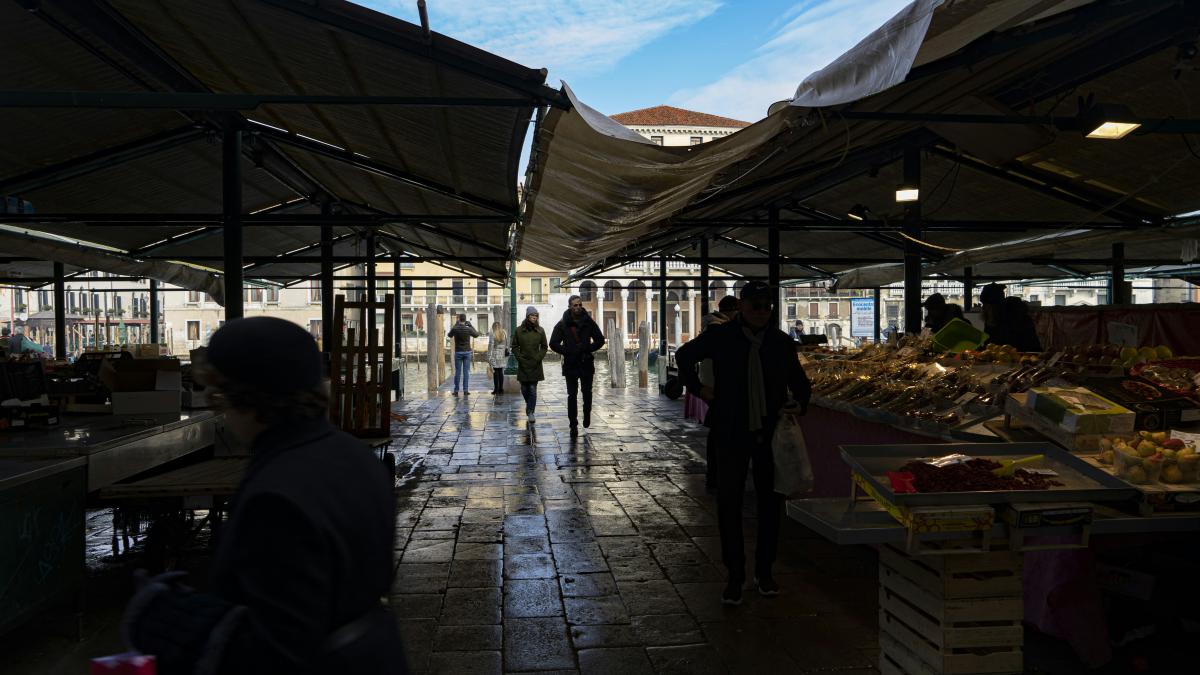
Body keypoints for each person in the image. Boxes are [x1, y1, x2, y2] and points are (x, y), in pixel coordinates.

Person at [121, 317, 404, 674]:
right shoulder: (355, 455)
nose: (218, 410)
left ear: (248, 397)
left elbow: (277, 652)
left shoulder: (277, 496)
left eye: (219, 396)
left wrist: (184, 628)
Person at [675, 281, 811, 606]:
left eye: (766, 306)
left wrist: (799, 403)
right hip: (730, 429)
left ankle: (765, 572)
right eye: (755, 306)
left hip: (769, 432)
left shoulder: (780, 343)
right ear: (742, 306)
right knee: (729, 503)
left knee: (770, 504)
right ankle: (735, 575)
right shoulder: (722, 337)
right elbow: (684, 356)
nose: (762, 312)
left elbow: (800, 383)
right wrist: (700, 389)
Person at [698, 296, 740, 492]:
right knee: (719, 435)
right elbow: (685, 356)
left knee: (717, 433)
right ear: (734, 311)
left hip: (715, 384)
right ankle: (716, 477)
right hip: (718, 387)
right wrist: (697, 387)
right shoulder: (718, 329)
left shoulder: (715, 326)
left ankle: (716, 476)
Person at [549, 295, 605, 437]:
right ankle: (573, 424)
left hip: (586, 362)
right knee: (572, 395)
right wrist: (567, 352)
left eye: (580, 305)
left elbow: (600, 339)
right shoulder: (562, 324)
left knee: (587, 392)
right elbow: (553, 343)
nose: (578, 307)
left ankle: (587, 414)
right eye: (575, 305)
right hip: (571, 364)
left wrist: (588, 348)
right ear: (570, 307)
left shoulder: (588, 322)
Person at [512, 306, 548, 420]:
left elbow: (544, 346)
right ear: (528, 316)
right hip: (523, 363)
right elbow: (514, 346)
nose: (534, 318)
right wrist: (520, 358)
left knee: (532, 388)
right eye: (532, 315)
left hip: (535, 364)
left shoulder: (540, 330)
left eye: (536, 316)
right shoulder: (519, 330)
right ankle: (529, 405)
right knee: (524, 388)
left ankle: (531, 411)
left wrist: (538, 357)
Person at [447, 314, 480, 396]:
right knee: (466, 372)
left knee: (457, 372)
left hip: (458, 352)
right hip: (467, 352)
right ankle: (465, 390)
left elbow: (449, 335)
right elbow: (476, 334)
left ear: (459, 319)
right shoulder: (468, 329)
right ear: (465, 320)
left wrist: (455, 325)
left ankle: (456, 390)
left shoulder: (455, 328)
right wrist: (471, 326)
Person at [487, 321, 509, 395]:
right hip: (502, 355)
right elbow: (506, 344)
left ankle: (496, 389)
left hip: (495, 355)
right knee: (501, 372)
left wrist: (489, 356)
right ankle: (501, 389)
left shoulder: (493, 334)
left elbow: (490, 346)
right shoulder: (504, 333)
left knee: (496, 372)